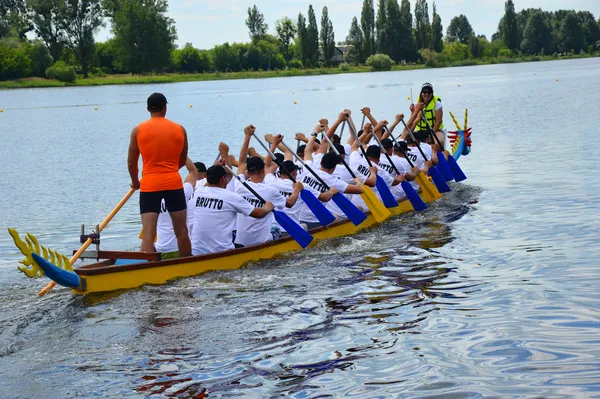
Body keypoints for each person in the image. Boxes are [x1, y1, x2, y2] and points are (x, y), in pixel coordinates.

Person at [127, 92, 191, 257]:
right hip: (173, 182)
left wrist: (135, 182)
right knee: (181, 230)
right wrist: (169, 171)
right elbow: (182, 160)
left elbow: (131, 163)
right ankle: (187, 265)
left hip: (149, 185)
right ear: (165, 108)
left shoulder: (137, 130)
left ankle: (146, 268)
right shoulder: (180, 129)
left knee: (149, 232)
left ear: (148, 109)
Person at [191, 163, 274, 255]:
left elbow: (209, 184)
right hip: (221, 251)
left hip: (196, 250)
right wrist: (267, 208)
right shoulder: (231, 197)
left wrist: (217, 166)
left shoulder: (198, 192)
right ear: (223, 179)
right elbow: (257, 214)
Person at [234, 125, 289, 247]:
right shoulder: (271, 191)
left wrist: (247, 136)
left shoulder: (239, 185)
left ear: (247, 172)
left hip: (240, 242)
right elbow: (289, 203)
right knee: (277, 229)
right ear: (263, 171)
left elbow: (242, 162)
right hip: (261, 242)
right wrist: (296, 190)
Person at [156, 158, 199, 258]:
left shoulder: (152, 198)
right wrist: (182, 153)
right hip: (179, 248)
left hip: (159, 249)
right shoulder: (183, 193)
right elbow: (193, 172)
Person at [410, 82, 446, 146]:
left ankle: (439, 154)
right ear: (421, 93)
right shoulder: (416, 104)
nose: (427, 94)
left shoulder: (437, 104)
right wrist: (413, 111)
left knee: (438, 141)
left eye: (429, 92)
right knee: (408, 141)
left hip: (435, 130)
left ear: (432, 93)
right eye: (424, 92)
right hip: (420, 131)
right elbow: (411, 122)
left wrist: (430, 135)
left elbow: (438, 121)